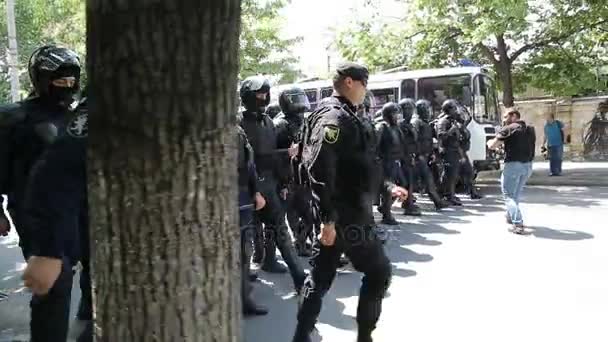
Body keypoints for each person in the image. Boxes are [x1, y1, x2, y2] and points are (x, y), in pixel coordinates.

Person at [293, 63, 408, 342]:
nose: (366, 89)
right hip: (347, 214)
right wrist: (328, 220)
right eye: (364, 83)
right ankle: (364, 337)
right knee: (378, 271)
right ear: (348, 82)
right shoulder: (333, 117)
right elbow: (320, 169)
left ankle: (300, 336)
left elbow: (361, 164)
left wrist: (387, 186)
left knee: (320, 278)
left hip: (348, 210)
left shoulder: (347, 115)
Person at [0, 45, 81, 256]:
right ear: (42, 80)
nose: (66, 86)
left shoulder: (77, 118)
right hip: (34, 214)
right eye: (60, 81)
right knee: (53, 284)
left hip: (77, 211)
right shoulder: (14, 118)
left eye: (70, 81)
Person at [21, 104, 91, 342]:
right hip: (57, 221)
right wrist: (48, 251)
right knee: (55, 287)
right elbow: (59, 168)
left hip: (85, 222)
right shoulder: (22, 117)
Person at [238, 76, 306, 291]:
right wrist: (286, 153)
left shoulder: (268, 121)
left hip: (269, 183)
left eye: (266, 93)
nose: (264, 97)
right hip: (247, 187)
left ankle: (300, 278)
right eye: (259, 93)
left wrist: (284, 182)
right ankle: (244, 285)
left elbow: (270, 156)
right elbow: (253, 157)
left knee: (281, 233)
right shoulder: (238, 122)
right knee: (246, 239)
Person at [274, 87, 315, 256]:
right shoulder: (280, 124)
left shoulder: (304, 122)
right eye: (295, 99)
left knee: (310, 214)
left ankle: (304, 242)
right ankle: (299, 244)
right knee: (292, 214)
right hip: (287, 177)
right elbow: (271, 153)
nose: (299, 103)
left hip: (303, 175)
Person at [487, 108, 536, 234]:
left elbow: (493, 145)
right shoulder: (530, 129)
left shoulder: (509, 128)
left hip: (514, 165)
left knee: (508, 195)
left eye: (505, 116)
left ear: (514, 116)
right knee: (515, 194)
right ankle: (510, 215)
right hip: (528, 166)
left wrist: (489, 143)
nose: (504, 120)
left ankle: (518, 224)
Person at [237, 125, 269, 316]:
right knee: (242, 253)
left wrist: (256, 191)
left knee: (244, 252)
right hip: (236, 200)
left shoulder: (238, 130)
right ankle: (244, 301)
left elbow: (250, 166)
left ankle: (243, 294)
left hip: (243, 199)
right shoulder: (232, 132)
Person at [411, 99, 450, 210]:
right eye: (427, 109)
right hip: (419, 157)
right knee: (427, 180)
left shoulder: (425, 123)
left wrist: (432, 153)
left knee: (430, 179)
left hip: (426, 155)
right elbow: (413, 140)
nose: (429, 112)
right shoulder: (416, 122)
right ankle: (437, 202)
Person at [376, 102, 407, 224]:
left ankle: (384, 207)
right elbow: (376, 146)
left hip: (395, 162)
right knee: (389, 190)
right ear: (388, 115)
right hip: (386, 163)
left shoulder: (396, 128)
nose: (397, 116)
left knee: (403, 183)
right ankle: (387, 214)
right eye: (394, 114)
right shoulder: (382, 127)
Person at [435, 99, 463, 206]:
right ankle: (448, 195)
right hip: (447, 151)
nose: (456, 110)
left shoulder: (452, 120)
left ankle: (451, 194)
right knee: (449, 174)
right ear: (449, 109)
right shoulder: (443, 121)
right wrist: (451, 130)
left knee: (454, 174)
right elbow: (440, 136)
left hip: (454, 150)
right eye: (454, 108)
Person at [398, 98, 422, 216]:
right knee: (405, 182)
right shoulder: (401, 125)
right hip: (402, 157)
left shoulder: (408, 124)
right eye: (408, 109)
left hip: (409, 156)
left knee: (409, 181)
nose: (411, 112)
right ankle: (407, 205)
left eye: (411, 109)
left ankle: (408, 202)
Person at [456, 106, 482, 199]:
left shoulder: (461, 126)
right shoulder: (456, 126)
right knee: (459, 173)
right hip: (458, 152)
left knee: (468, 172)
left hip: (463, 152)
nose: (464, 117)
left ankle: (471, 192)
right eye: (461, 115)